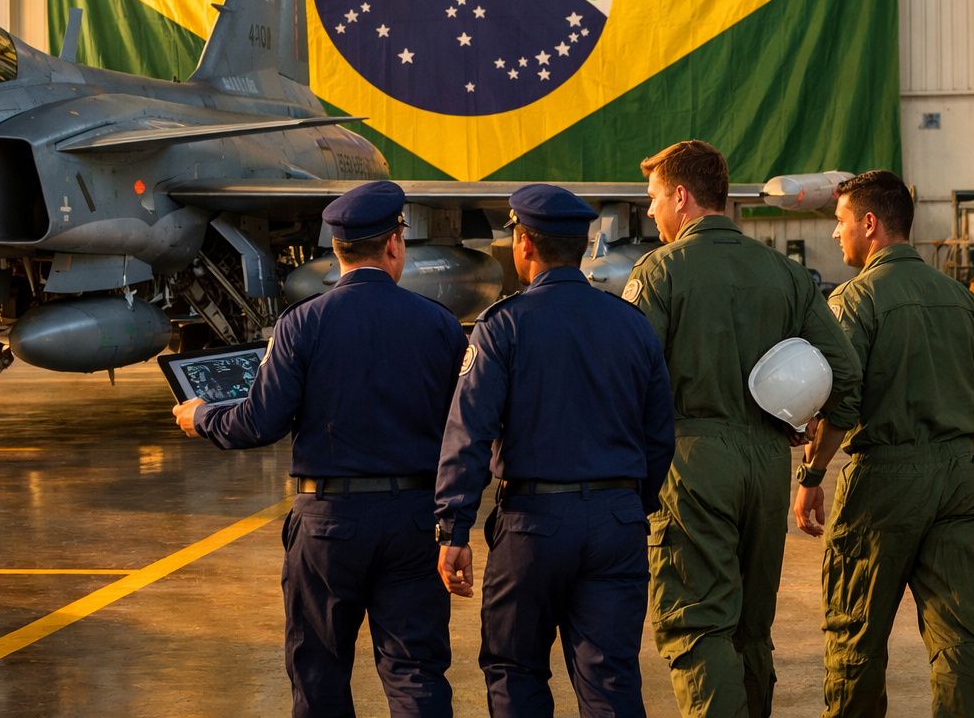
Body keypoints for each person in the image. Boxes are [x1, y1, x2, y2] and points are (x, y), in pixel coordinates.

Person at [174, 180, 468, 718]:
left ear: (337, 251)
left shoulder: (299, 325)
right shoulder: (440, 326)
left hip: (328, 522)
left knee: (319, 673)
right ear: (395, 245)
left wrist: (203, 417)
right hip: (412, 520)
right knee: (416, 672)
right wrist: (458, 525)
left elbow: (259, 422)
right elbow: (465, 430)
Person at [623, 140, 861, 718]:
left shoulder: (659, 272)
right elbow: (847, 378)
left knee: (698, 626)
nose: (651, 212)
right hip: (767, 463)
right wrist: (811, 448)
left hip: (692, 464)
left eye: (654, 199)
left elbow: (625, 378)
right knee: (752, 629)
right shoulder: (785, 273)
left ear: (681, 197)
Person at [435, 183, 675, 717]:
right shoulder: (631, 325)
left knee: (515, 671)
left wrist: (454, 528)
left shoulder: (504, 325)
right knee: (610, 680)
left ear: (524, 244)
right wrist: (632, 506)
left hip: (532, 525)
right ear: (583, 246)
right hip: (617, 521)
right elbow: (660, 433)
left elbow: (468, 432)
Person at [795, 169, 974, 716]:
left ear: (869, 223)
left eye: (840, 223)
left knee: (856, 635)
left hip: (882, 483)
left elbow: (843, 404)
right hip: (957, 476)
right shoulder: (963, 299)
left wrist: (811, 477)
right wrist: (949, 462)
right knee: (961, 637)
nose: (836, 235)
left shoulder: (854, 300)